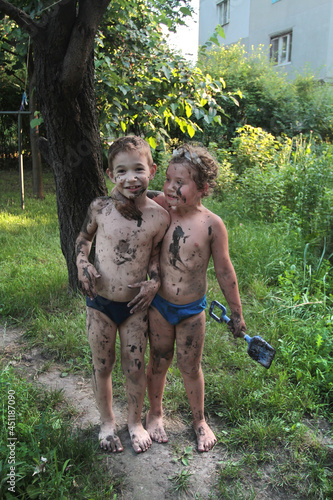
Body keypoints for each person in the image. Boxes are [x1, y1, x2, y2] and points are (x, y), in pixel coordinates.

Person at [146, 144, 246, 452]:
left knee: (190, 367)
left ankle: (199, 420)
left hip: (192, 311)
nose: (171, 188)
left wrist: (237, 313)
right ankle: (155, 413)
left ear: (202, 188)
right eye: (167, 179)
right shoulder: (163, 207)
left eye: (180, 183)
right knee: (159, 360)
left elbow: (225, 272)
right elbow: (140, 196)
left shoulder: (211, 225)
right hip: (160, 306)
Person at [76, 136, 169, 454]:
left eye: (138, 169)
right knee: (102, 365)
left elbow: (154, 256)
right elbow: (84, 238)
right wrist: (80, 263)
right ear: (110, 174)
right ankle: (106, 422)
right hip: (100, 303)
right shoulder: (100, 208)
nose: (131, 178)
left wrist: (154, 282)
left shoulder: (159, 216)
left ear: (152, 171)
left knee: (134, 367)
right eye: (122, 171)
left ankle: (134, 422)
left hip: (134, 306)